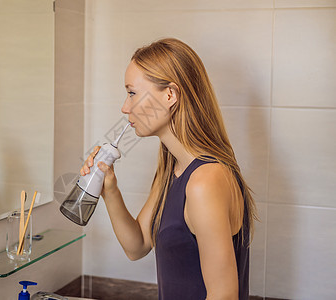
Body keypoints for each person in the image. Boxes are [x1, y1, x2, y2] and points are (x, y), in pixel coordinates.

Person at [80, 38, 258, 300]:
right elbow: (137, 245)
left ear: (170, 95)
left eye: (132, 93)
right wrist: (110, 189)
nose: (125, 107)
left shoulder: (204, 181)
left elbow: (224, 295)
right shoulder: (173, 170)